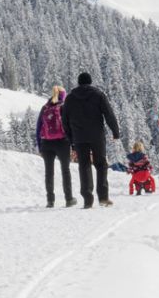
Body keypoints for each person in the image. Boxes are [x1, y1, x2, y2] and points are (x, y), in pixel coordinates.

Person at [62, 71, 120, 208]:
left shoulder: (70, 98)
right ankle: (103, 197)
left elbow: (65, 121)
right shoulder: (98, 95)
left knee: (84, 166)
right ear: (90, 81)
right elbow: (109, 114)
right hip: (97, 136)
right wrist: (115, 131)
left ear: (78, 82)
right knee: (101, 164)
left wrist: (71, 140)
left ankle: (88, 199)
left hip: (79, 137)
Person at [34, 86, 74, 208]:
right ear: (63, 96)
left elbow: (38, 128)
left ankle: (50, 201)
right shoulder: (64, 107)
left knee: (49, 172)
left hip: (46, 143)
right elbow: (70, 126)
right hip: (62, 142)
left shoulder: (45, 107)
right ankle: (69, 199)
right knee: (65, 170)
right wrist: (73, 144)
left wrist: (40, 146)